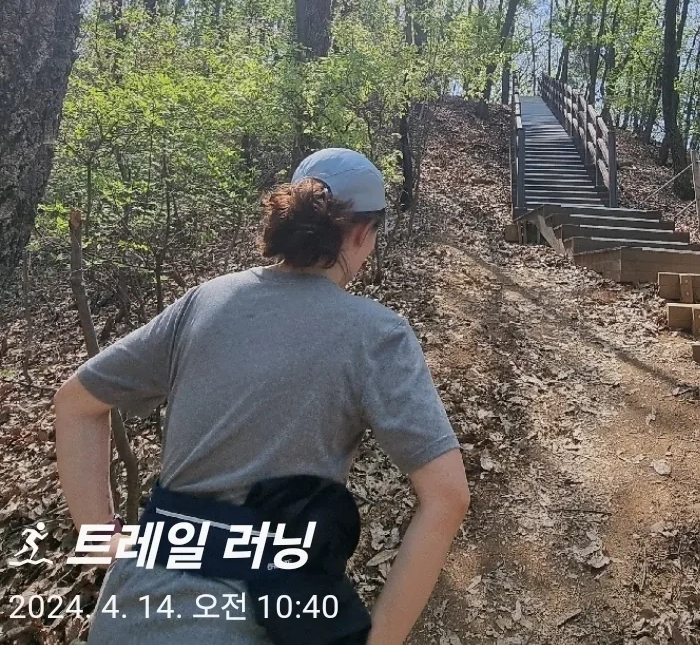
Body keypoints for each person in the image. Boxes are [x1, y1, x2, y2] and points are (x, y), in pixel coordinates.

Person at [54, 148, 469, 645]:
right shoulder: (376, 335)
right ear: (362, 233)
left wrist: (102, 541)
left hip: (132, 611)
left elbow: (75, 403)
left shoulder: (207, 301)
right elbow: (447, 497)